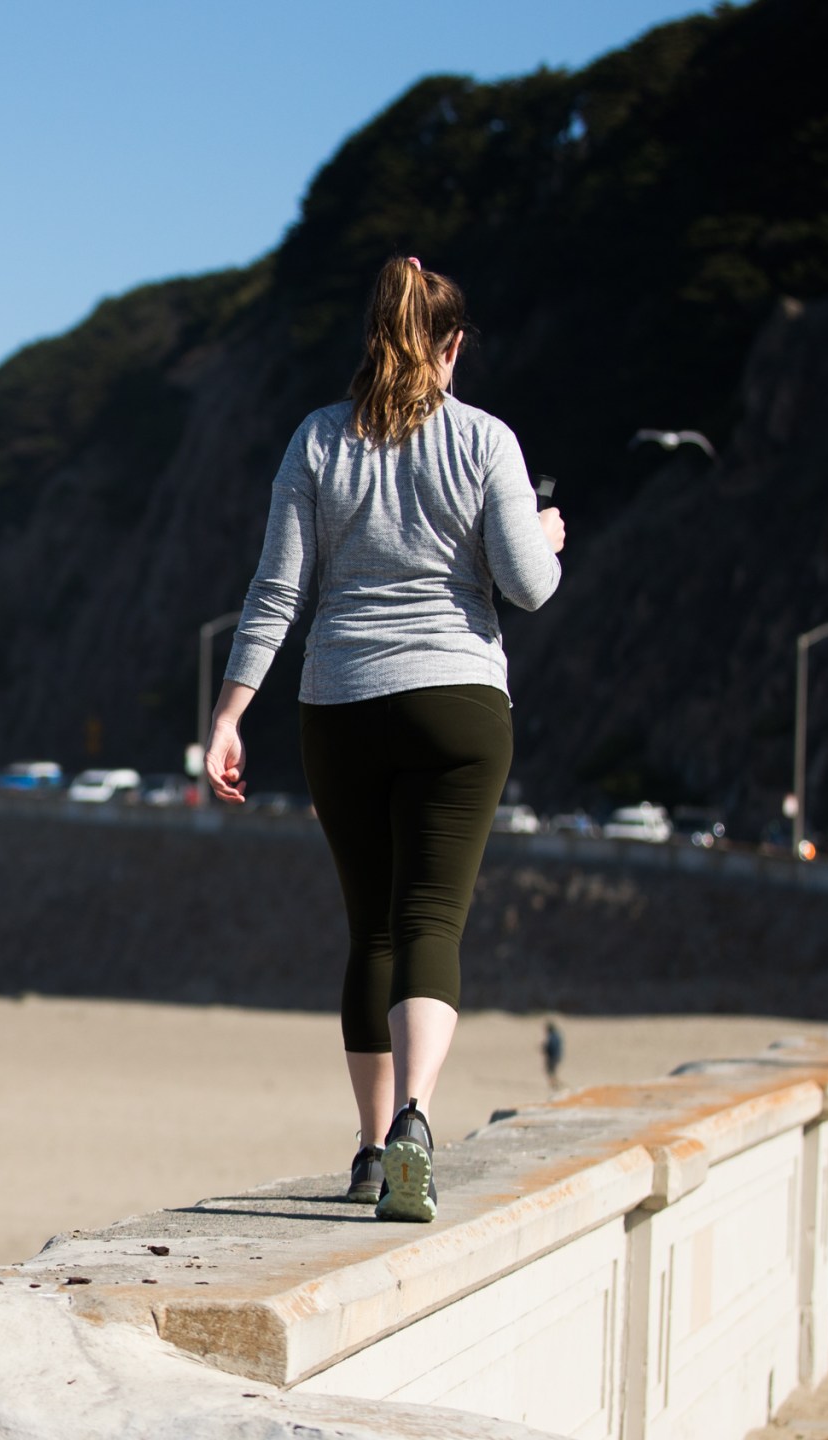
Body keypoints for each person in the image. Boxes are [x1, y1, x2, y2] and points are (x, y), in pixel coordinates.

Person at [205, 255, 565, 1223]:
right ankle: (415, 1120)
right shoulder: (486, 441)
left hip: (343, 704)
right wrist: (544, 533)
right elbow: (526, 588)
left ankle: (369, 1152)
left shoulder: (318, 441)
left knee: (370, 926)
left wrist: (231, 714)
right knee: (429, 925)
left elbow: (277, 591)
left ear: (373, 335)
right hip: (457, 702)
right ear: (450, 347)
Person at [543, 1019, 565, 1092]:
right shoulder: (557, 1035)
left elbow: (551, 1046)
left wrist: (545, 1049)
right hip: (557, 1055)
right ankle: (556, 1083)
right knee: (553, 1071)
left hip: (553, 1056)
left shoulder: (552, 1036)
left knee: (550, 1071)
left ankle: (554, 1084)